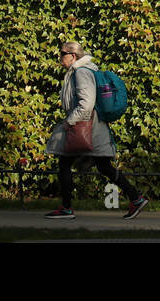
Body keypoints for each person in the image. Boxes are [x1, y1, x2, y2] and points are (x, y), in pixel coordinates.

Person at [44, 41, 149, 220]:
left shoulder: (81, 73)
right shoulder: (82, 71)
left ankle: (67, 208)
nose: (59, 57)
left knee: (64, 163)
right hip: (93, 127)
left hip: (85, 127)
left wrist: (69, 122)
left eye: (62, 53)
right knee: (103, 166)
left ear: (73, 56)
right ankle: (135, 197)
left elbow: (86, 104)